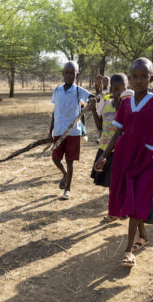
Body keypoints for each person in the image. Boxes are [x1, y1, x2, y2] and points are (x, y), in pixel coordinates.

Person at [94, 58, 153, 268]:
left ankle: (128, 250)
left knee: (139, 201)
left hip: (147, 159)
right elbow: (117, 131)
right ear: (129, 79)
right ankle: (143, 236)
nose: (139, 81)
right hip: (125, 157)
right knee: (131, 199)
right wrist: (104, 155)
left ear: (151, 78)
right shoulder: (126, 104)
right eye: (135, 77)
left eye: (143, 76)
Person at [89, 73, 130, 222]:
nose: (117, 93)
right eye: (115, 89)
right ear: (110, 89)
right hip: (106, 149)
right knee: (112, 185)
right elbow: (100, 126)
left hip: (122, 150)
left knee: (122, 183)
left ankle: (121, 210)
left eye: (121, 89)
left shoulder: (129, 106)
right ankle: (115, 211)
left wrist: (120, 102)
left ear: (127, 88)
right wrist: (93, 109)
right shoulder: (106, 105)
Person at [49, 61, 91, 199]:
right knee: (55, 158)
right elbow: (55, 112)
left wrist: (95, 97)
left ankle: (67, 189)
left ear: (76, 75)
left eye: (72, 73)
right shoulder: (57, 90)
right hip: (59, 131)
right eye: (66, 72)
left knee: (70, 160)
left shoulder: (78, 91)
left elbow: (91, 97)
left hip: (73, 132)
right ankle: (66, 174)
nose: (68, 75)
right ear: (63, 74)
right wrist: (50, 131)